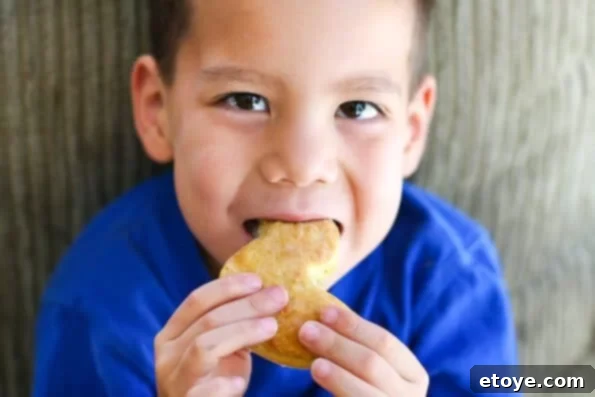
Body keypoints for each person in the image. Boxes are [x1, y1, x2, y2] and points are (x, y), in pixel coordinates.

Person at [32, 0, 521, 395]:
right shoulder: (103, 303)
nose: (303, 165)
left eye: (358, 108)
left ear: (411, 133)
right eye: (245, 100)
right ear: (159, 111)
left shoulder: (452, 278)